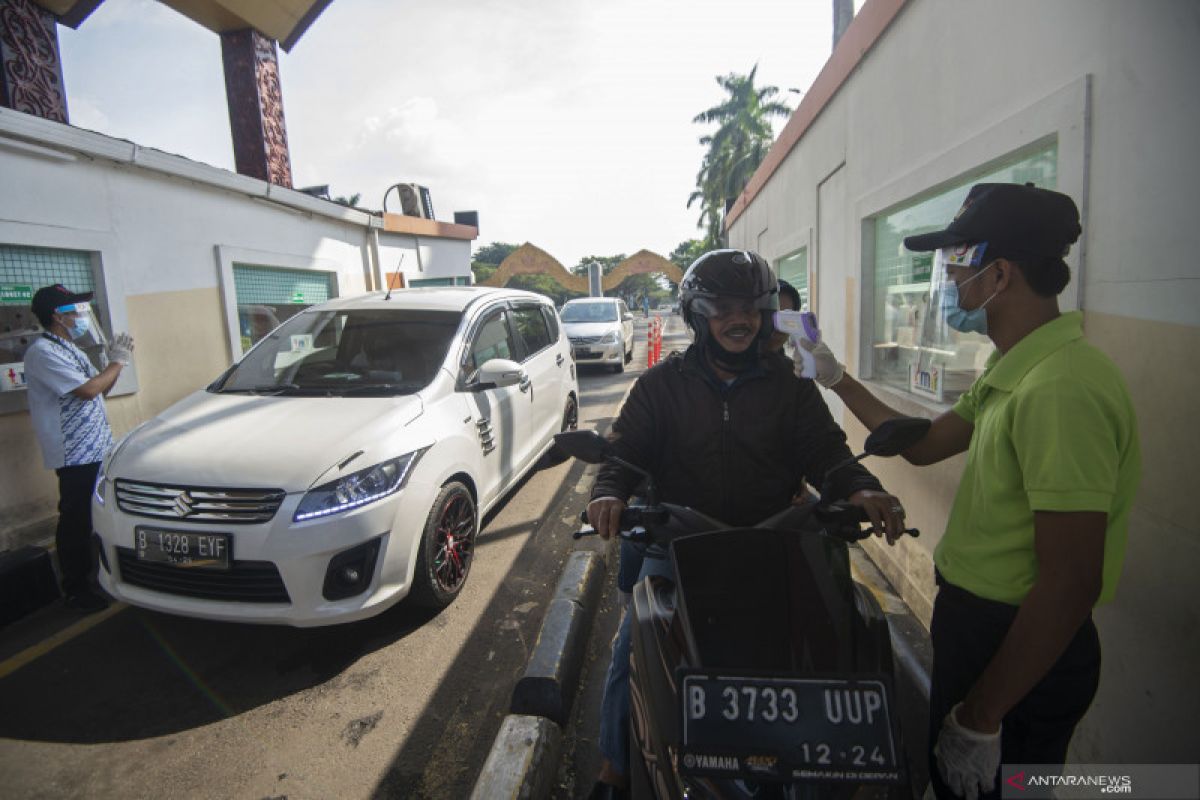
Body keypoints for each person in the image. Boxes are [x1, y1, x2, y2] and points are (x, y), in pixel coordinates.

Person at [794, 183, 1141, 800]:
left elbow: (1069, 582)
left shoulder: (1060, 390)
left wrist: (981, 719)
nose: (950, 282)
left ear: (999, 274)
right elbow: (925, 444)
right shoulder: (1015, 368)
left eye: (957, 264)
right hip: (981, 633)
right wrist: (835, 375)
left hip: (1019, 650)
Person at [587, 249, 908, 796]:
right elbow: (624, 453)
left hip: (779, 543)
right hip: (684, 543)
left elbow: (826, 452)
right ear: (697, 315)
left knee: (842, 633)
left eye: (751, 309)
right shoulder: (660, 387)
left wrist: (862, 487)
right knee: (631, 645)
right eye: (723, 307)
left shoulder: (791, 386)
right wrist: (608, 493)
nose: (740, 319)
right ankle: (614, 770)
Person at [24, 285, 135, 612]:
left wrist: (114, 365)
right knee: (75, 520)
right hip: (75, 452)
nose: (82, 316)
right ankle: (76, 587)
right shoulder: (43, 352)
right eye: (76, 311)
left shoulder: (68, 347)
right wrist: (116, 363)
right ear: (59, 316)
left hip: (96, 446)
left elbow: (101, 389)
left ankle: (94, 574)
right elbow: (87, 390)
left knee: (93, 515)